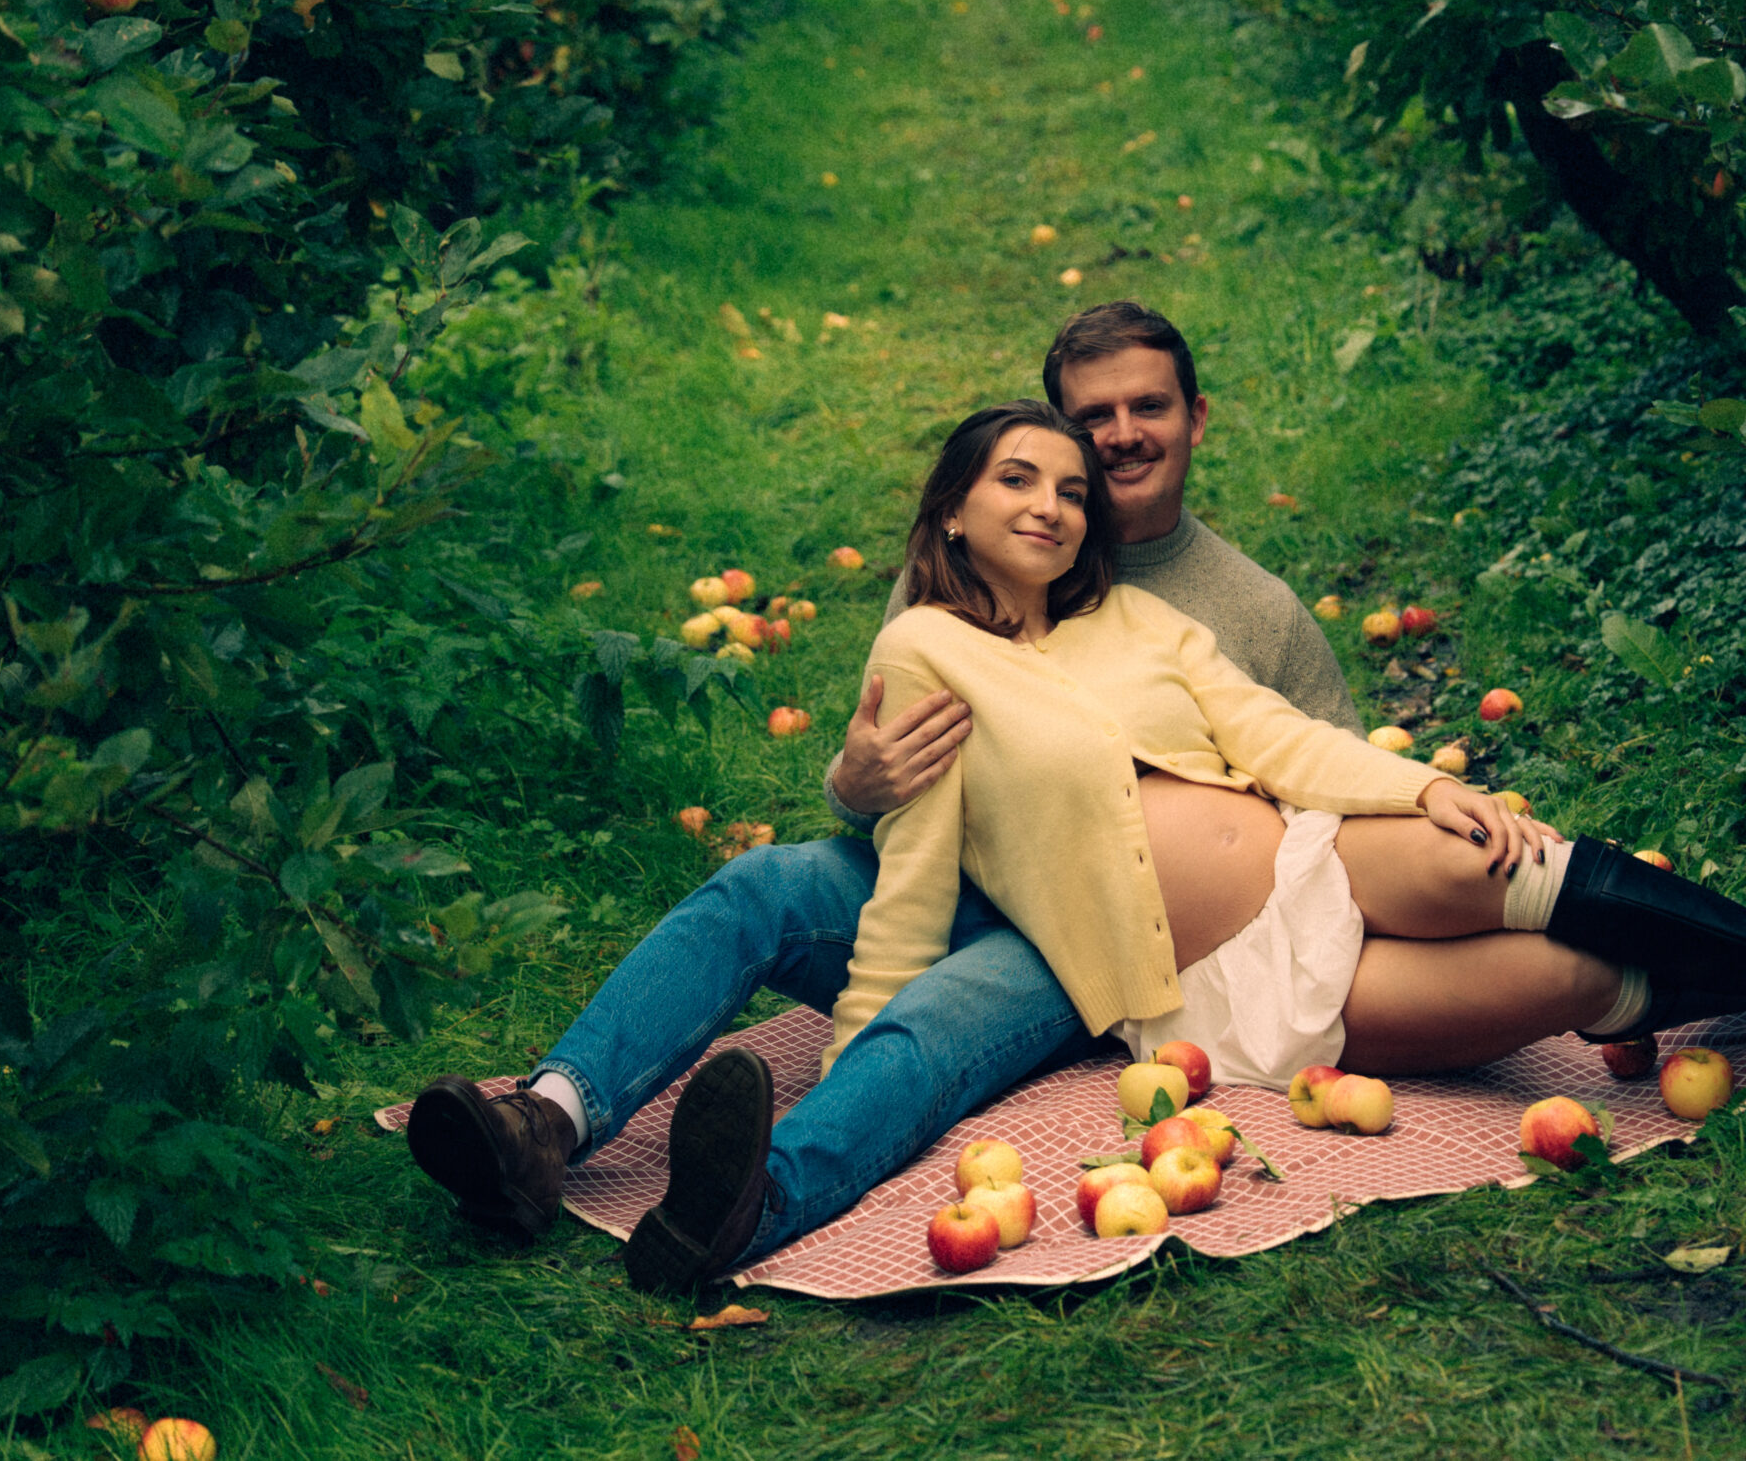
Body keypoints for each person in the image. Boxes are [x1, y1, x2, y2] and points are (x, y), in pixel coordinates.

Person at [613, 401, 1746, 1293]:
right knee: (1569, 989)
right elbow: (906, 868)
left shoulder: (1143, 628)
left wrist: (1410, 781)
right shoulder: (928, 650)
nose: (1054, 504)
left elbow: (1272, 735)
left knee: (1473, 860)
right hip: (1218, 994)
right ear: (951, 510)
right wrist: (864, 1024)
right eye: (1016, 480)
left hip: (1300, 862)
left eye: (1073, 488)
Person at [404, 305, 1414, 1254]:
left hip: (1094, 925)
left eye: (1145, 406)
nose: (1116, 440)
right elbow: (896, 803)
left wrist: (1415, 812)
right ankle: (543, 1124)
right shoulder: (970, 577)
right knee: (763, 884)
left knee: (932, 1017)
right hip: (958, 877)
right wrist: (854, 779)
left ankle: (749, 1203)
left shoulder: (1249, 610)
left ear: (1194, 418)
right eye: (1085, 422)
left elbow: (1324, 813)